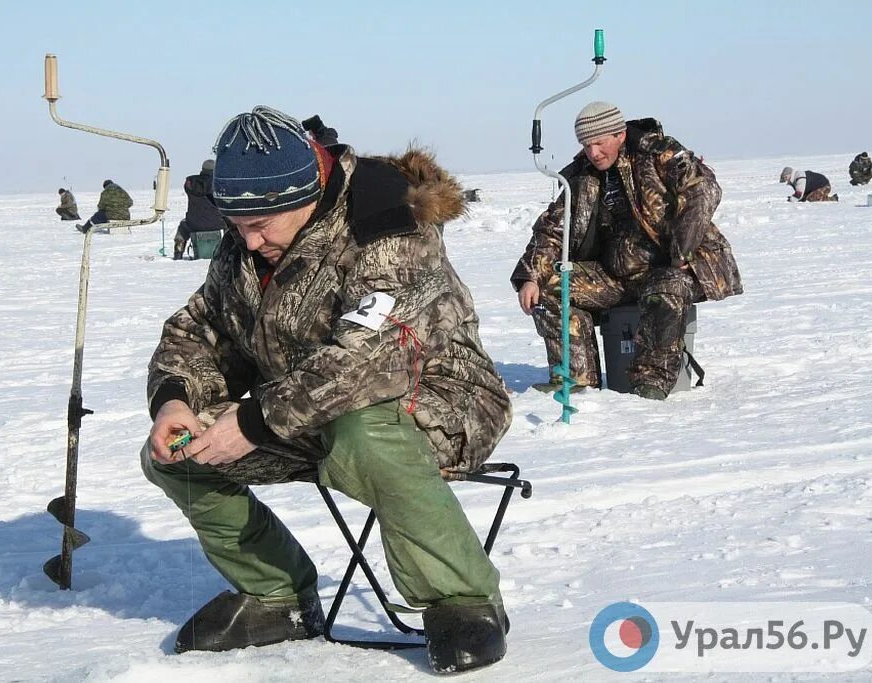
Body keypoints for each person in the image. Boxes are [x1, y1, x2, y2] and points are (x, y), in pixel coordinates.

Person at [142, 106, 512, 673]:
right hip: (300, 409)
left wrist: (252, 423)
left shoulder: (387, 222)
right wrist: (174, 400)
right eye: (238, 223)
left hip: (438, 398)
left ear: (306, 196)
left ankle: (463, 601)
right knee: (173, 454)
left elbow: (368, 358)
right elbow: (199, 330)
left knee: (362, 427)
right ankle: (277, 596)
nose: (248, 237)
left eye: (262, 223)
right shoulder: (249, 239)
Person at [511, 102, 743, 400]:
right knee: (550, 285)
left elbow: (703, 189)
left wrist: (683, 250)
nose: (593, 152)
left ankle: (651, 383)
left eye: (599, 142)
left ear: (620, 135)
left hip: (675, 268)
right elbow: (552, 229)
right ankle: (575, 379)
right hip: (614, 276)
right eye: (586, 144)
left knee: (667, 286)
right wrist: (531, 276)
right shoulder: (581, 175)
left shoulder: (659, 152)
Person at [173, 159, 225, 260]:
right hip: (218, 223)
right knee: (231, 227)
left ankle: (178, 253)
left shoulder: (191, 183)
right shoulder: (218, 183)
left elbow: (189, 187)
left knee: (183, 227)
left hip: (194, 223)